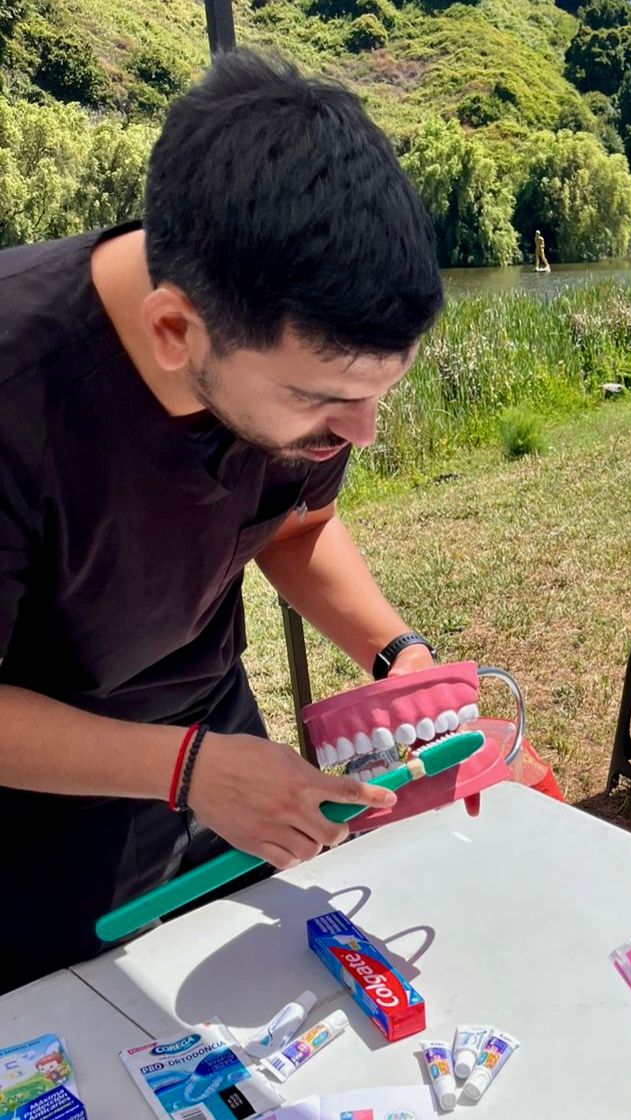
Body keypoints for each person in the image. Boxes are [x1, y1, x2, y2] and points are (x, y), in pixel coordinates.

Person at [0, 51, 446, 993]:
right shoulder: (18, 387)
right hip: (38, 817)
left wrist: (395, 654)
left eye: (379, 396)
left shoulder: (286, 354)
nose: (359, 433)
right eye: (326, 401)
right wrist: (187, 769)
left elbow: (294, 528)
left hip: (215, 742)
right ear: (174, 331)